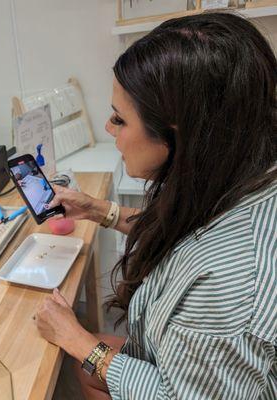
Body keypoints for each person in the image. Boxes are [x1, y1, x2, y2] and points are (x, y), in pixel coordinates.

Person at [35, 12, 276, 400]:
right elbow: (181, 231)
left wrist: (77, 340)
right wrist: (99, 210)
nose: (110, 129)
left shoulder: (224, 288)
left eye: (119, 118)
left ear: (177, 134)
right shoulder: (241, 176)